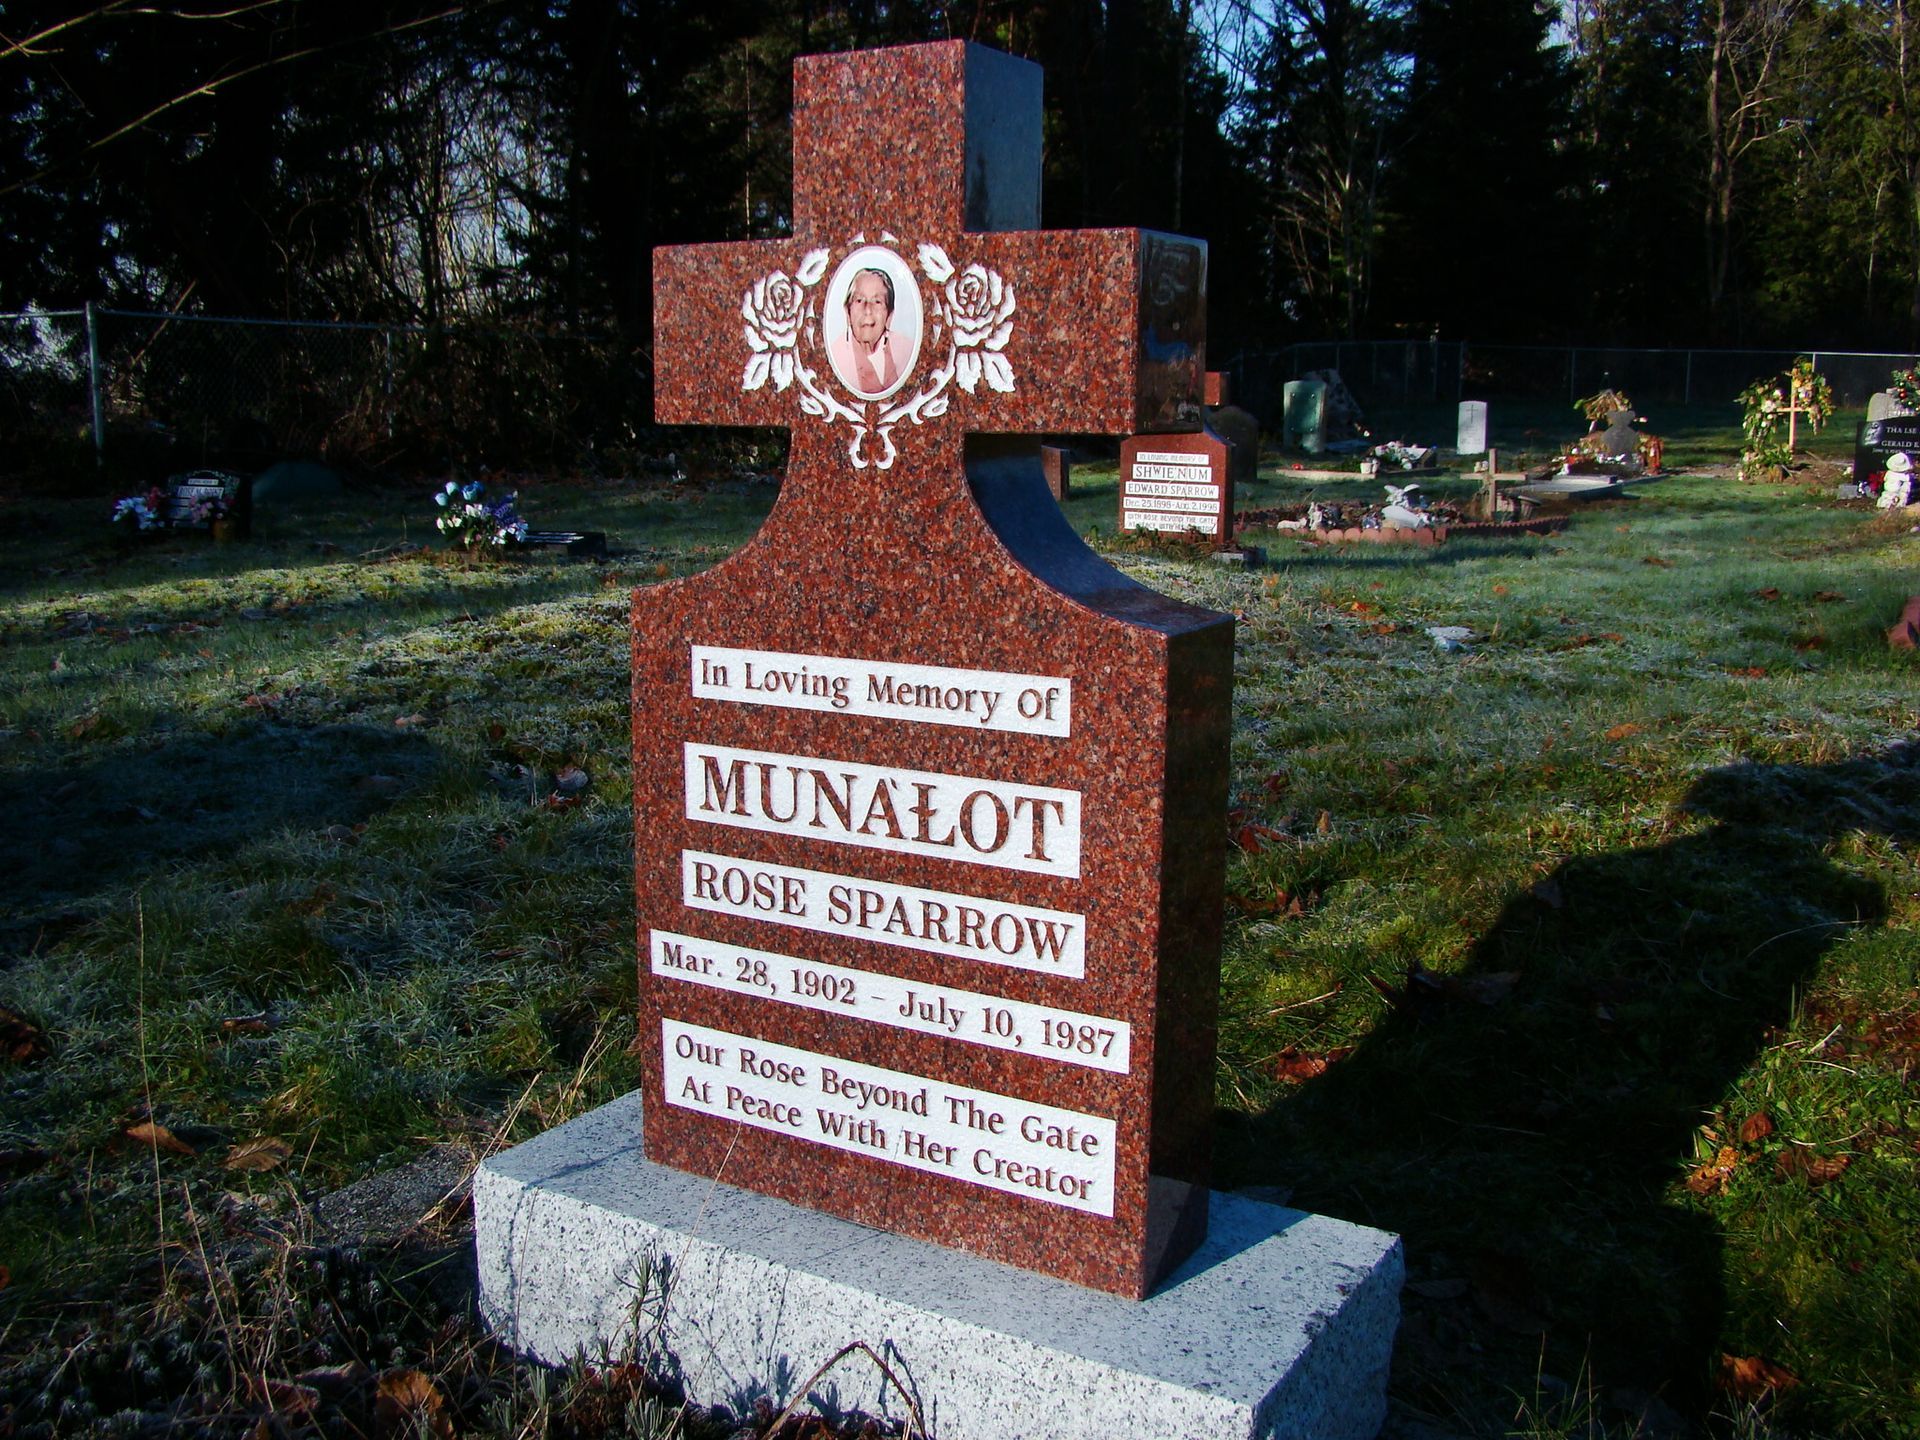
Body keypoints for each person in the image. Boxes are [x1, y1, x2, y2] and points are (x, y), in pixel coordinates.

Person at [829, 267, 903, 395]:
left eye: (877, 301)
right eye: (859, 300)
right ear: (848, 311)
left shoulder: (905, 349)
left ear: (889, 315)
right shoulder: (834, 358)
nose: (867, 310)